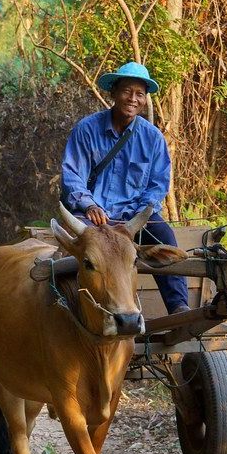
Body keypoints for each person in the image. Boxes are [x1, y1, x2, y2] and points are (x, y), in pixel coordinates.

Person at [60, 61, 189, 315]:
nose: (132, 99)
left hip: (133, 222)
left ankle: (178, 307)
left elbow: (157, 186)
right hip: (91, 219)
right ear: (114, 93)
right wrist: (89, 204)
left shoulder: (152, 139)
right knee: (72, 255)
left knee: (165, 236)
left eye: (139, 94)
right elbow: (72, 176)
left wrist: (139, 217)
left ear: (145, 100)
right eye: (127, 91)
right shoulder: (86, 130)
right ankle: (71, 313)